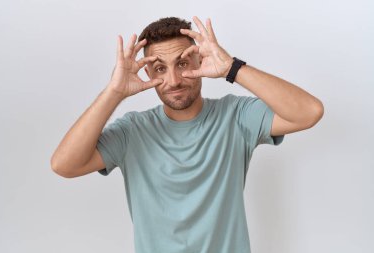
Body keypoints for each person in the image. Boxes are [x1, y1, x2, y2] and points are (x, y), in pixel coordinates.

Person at [51, 16, 324, 253]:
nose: (173, 80)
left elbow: (309, 112)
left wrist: (232, 68)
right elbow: (64, 164)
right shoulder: (132, 131)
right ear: (148, 72)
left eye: (182, 63)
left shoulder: (236, 116)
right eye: (160, 68)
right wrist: (114, 92)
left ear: (200, 59)